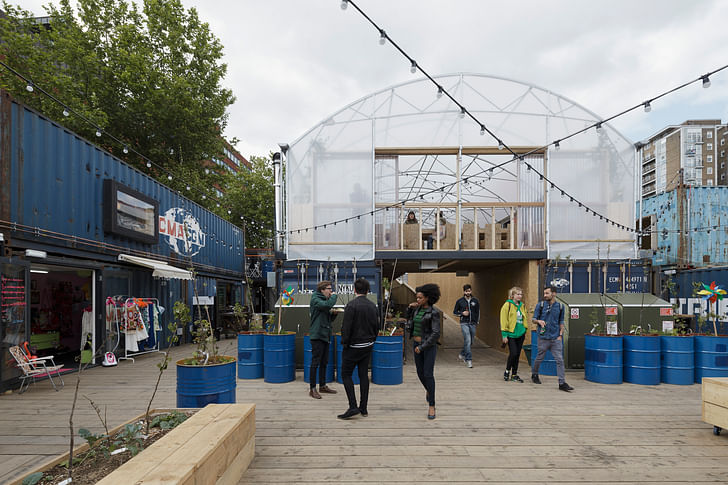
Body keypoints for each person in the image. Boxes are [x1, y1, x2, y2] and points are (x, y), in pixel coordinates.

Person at [337, 278, 380, 419]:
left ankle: (353, 406)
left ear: (354, 290)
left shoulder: (351, 305)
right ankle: (364, 408)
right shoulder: (373, 306)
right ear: (368, 291)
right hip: (367, 345)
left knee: (345, 374)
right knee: (363, 375)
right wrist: (372, 340)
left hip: (353, 346)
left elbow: (346, 328)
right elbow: (376, 326)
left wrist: (345, 343)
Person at [406, 283, 441, 419]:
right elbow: (409, 320)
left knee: (428, 374)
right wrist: (410, 308)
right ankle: (429, 390)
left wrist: (422, 347)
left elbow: (436, 333)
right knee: (420, 373)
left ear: (427, 298)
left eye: (420, 298)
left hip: (428, 346)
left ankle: (431, 405)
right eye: (417, 297)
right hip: (416, 343)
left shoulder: (434, 312)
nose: (418, 300)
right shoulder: (417, 309)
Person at [532, 286, 574, 392]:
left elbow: (561, 321)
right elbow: (533, 319)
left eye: (547, 293)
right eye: (544, 293)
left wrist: (560, 334)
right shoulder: (540, 305)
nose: (545, 295)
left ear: (554, 294)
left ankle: (562, 383)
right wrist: (539, 322)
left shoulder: (560, 306)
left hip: (555, 338)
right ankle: (535, 374)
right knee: (539, 358)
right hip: (543, 337)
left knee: (560, 360)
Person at [308, 280, 338, 399]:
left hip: (325, 335)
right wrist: (334, 297)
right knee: (315, 362)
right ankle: (312, 388)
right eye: (329, 289)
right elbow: (326, 306)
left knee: (324, 362)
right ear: (322, 290)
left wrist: (334, 315)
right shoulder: (316, 299)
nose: (331, 291)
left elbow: (328, 319)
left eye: (331, 289)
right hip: (317, 335)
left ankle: (322, 385)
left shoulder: (324, 300)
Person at [500, 286, 528, 382]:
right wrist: (504, 335)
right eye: (518, 294)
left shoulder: (522, 305)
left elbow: (524, 317)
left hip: (521, 333)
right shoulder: (507, 305)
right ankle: (507, 370)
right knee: (513, 353)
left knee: (517, 354)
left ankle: (514, 374)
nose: (520, 296)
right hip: (511, 334)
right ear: (512, 295)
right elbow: (503, 320)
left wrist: (525, 328)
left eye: (521, 294)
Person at [453, 284, 479, 368]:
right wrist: (462, 313)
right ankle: (469, 360)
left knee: (471, 341)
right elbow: (455, 312)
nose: (468, 292)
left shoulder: (475, 301)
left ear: (471, 291)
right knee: (467, 340)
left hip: (473, 323)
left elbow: (478, 312)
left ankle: (462, 353)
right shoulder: (460, 301)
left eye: (469, 291)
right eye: (466, 291)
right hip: (464, 323)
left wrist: (477, 321)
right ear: (464, 291)